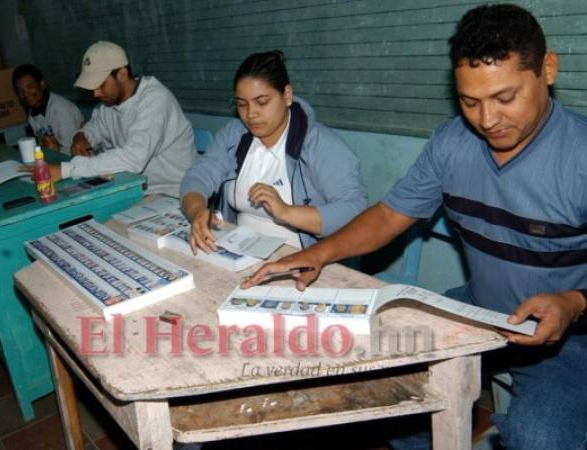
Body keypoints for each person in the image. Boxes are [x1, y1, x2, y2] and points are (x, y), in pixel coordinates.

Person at [243, 5, 587, 450]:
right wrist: (318, 252)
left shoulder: (579, 156)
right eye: (470, 101)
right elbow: (389, 216)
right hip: (480, 312)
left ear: (548, 69)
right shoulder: (452, 144)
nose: (487, 120)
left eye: (505, 98)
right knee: (387, 392)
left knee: (542, 437)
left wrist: (573, 302)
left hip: (569, 338)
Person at [180, 50, 367, 252]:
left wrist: (286, 212)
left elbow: (354, 210)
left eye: (262, 102)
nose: (251, 114)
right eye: (242, 104)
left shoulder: (320, 144)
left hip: (305, 256)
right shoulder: (234, 135)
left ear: (287, 95)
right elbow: (199, 175)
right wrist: (197, 210)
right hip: (240, 249)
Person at [50, 41, 197, 197]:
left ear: (122, 75)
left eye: (100, 85)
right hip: (135, 188)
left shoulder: (155, 100)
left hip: (175, 193)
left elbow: (132, 159)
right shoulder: (109, 103)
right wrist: (81, 137)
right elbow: (94, 127)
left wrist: (67, 170)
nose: (96, 94)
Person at [12, 64, 84, 154]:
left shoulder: (61, 110)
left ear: (42, 84)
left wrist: (55, 148)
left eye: (30, 87)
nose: (25, 94)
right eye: (20, 91)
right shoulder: (32, 113)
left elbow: (73, 151)